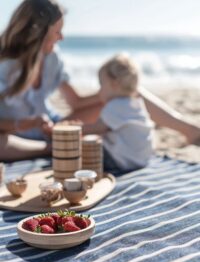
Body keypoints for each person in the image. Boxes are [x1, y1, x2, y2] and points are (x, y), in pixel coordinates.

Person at [0, 0, 199, 162]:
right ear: (37, 33)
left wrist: (116, 89)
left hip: (52, 126)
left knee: (128, 90)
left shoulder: (52, 57)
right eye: (56, 32)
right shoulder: (4, 65)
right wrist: (22, 123)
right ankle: (51, 149)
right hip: (16, 137)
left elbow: (76, 102)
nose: (62, 37)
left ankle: (189, 130)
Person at [70, 54, 154, 172]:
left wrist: (76, 128)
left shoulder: (115, 106)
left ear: (114, 84)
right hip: (141, 159)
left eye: (101, 85)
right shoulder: (136, 103)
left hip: (120, 160)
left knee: (86, 145)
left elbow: (97, 128)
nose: (99, 91)